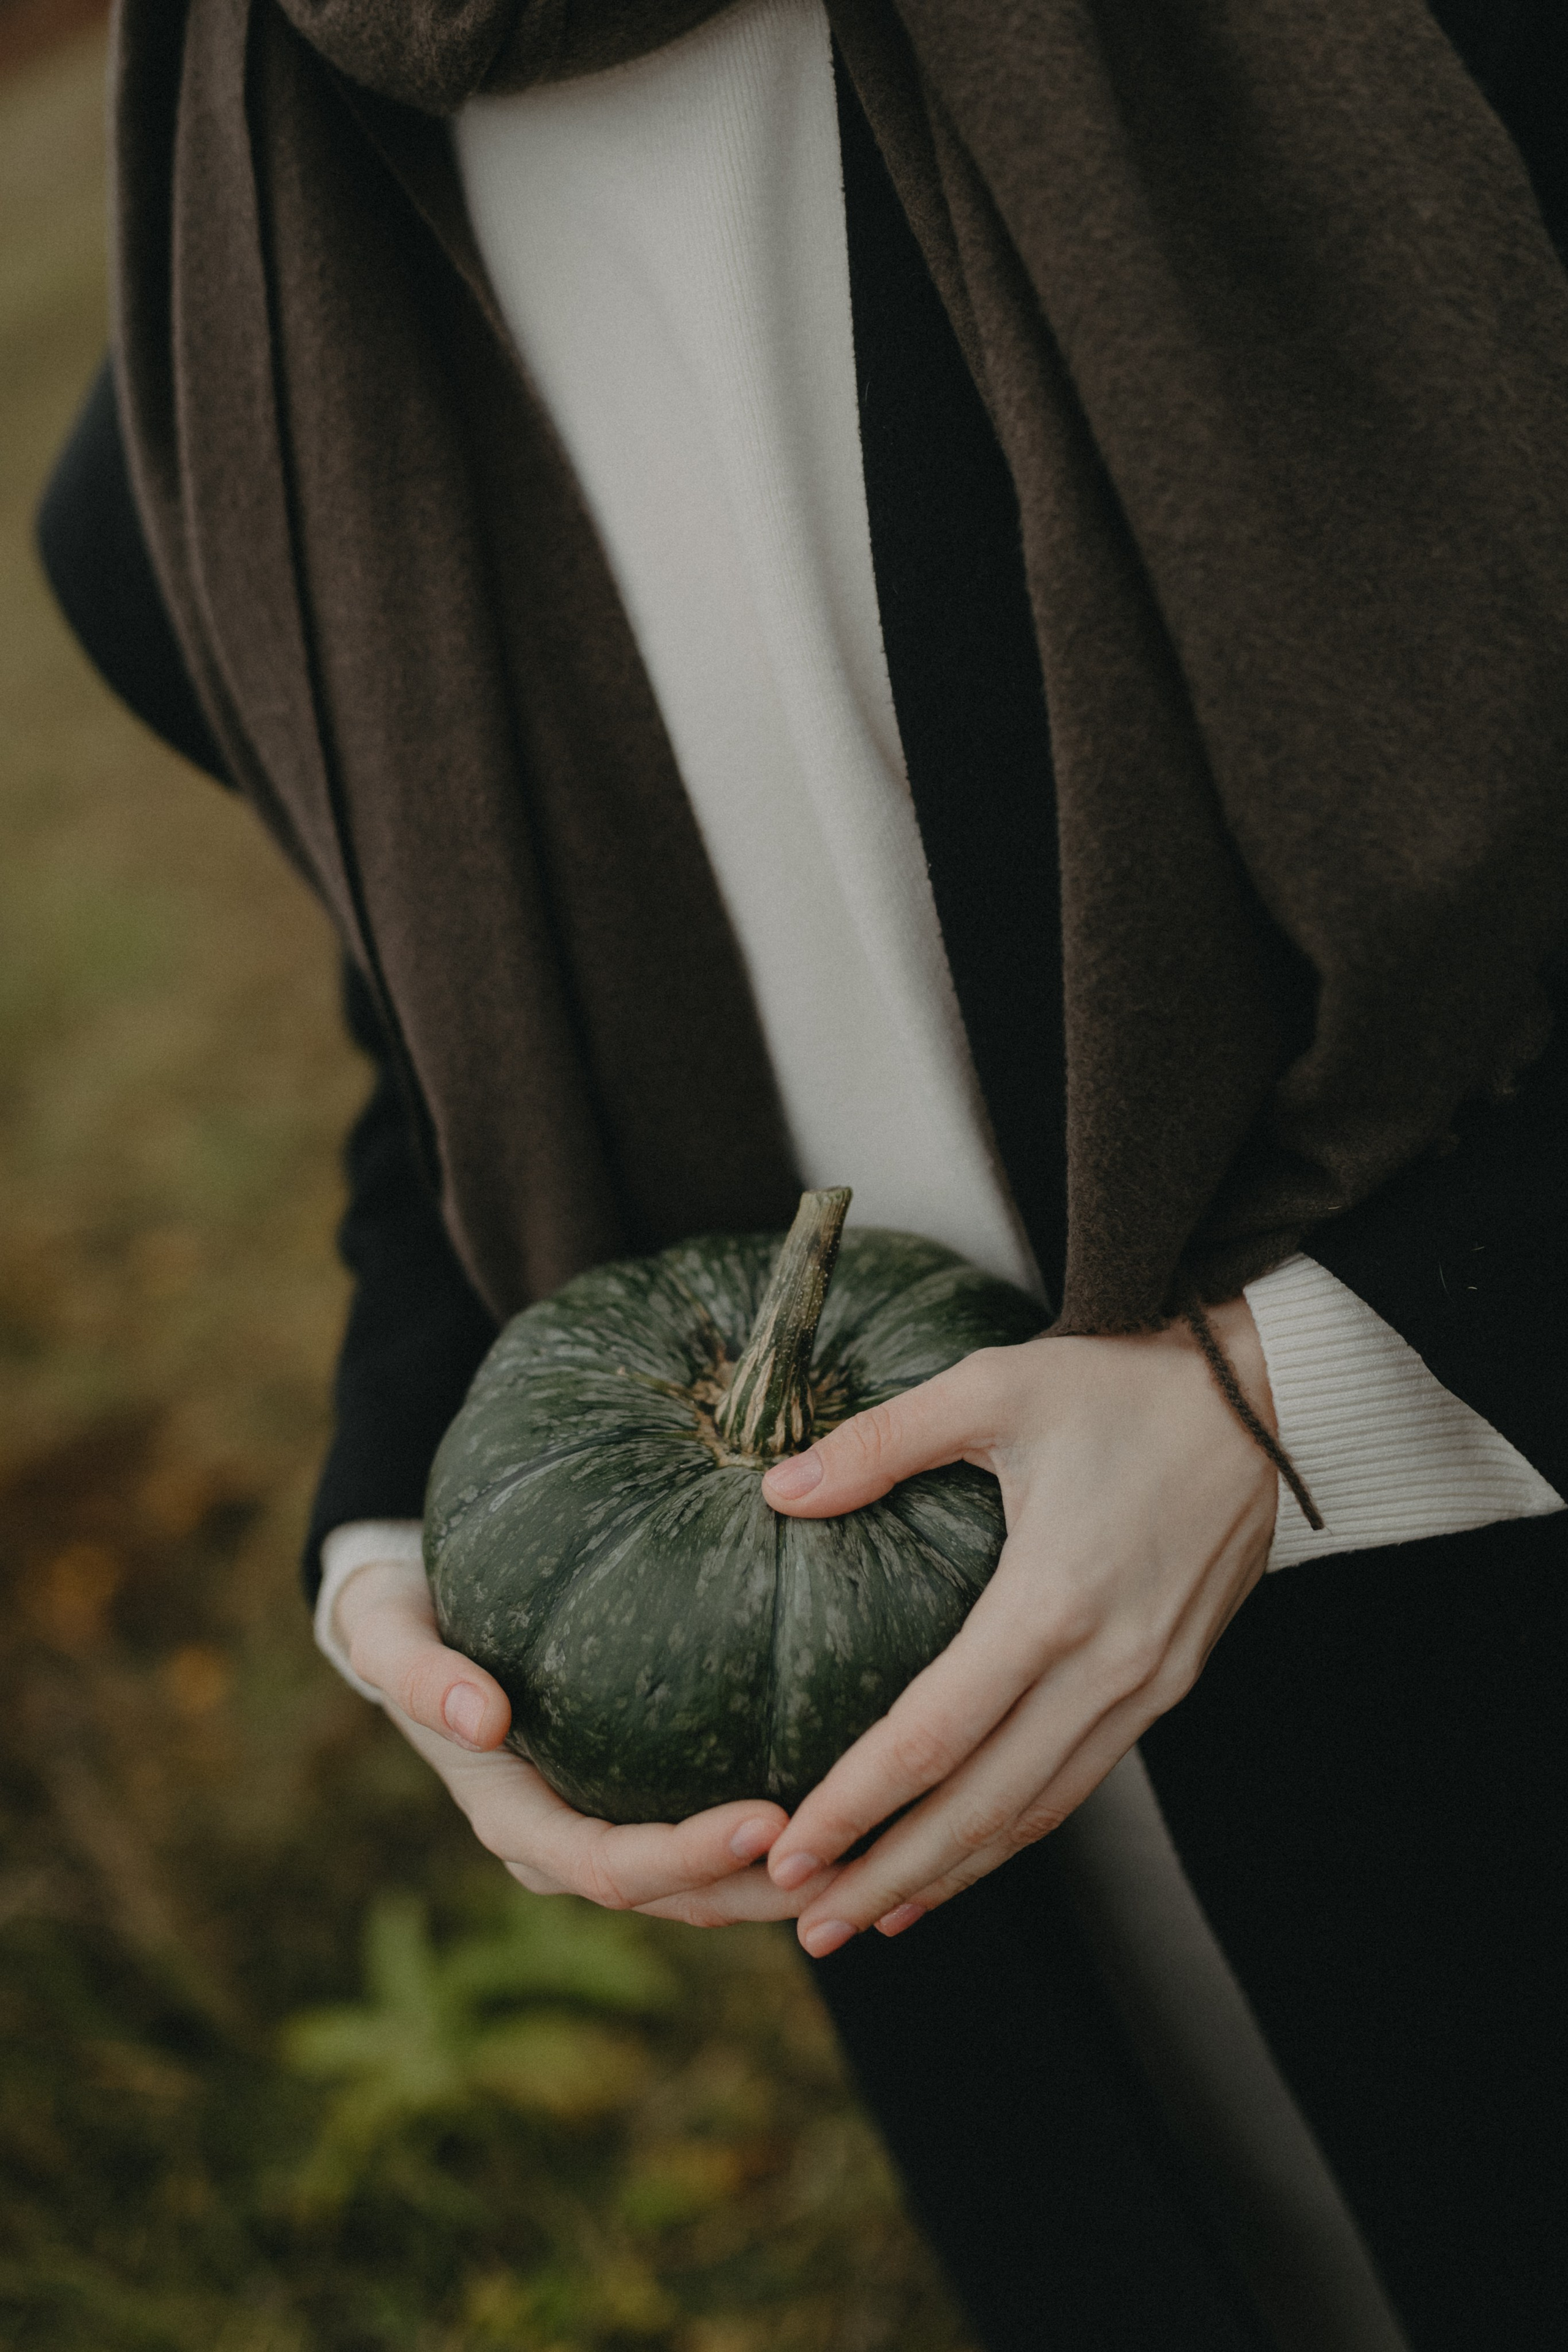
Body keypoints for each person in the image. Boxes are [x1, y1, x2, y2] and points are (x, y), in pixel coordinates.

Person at [40, 3, 1568, 2345]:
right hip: (952, 1868)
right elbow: (435, 1043)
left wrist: (1297, 1398)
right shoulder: (197, 385)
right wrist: (406, 1550)